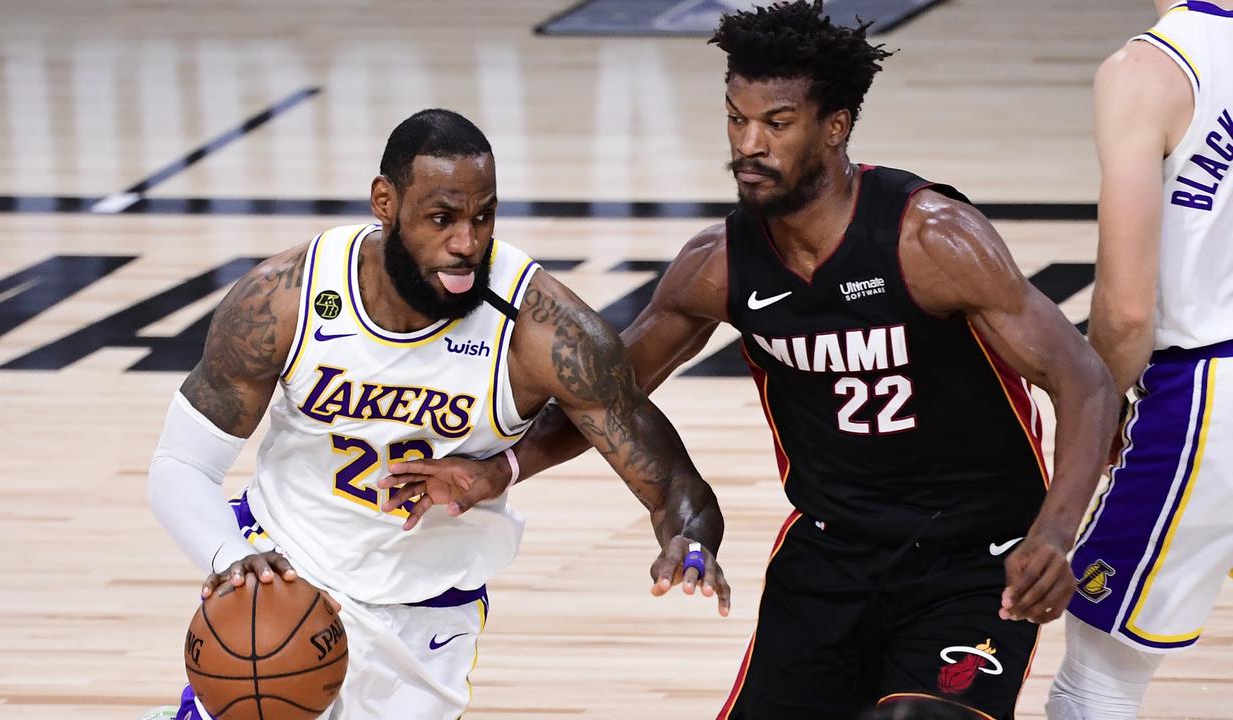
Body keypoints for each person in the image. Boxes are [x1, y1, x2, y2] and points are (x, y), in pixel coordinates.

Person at [378, 3, 1118, 719]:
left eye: (777, 123)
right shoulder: (718, 264)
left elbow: (1083, 381)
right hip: (831, 555)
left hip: (972, 556)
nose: (749, 143)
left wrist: (1054, 531)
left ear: (835, 128)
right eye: (737, 118)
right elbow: (606, 398)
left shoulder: (929, 239)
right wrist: (496, 469)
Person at [138, 108, 730, 720]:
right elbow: (182, 464)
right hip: (288, 576)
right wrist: (228, 559)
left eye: (483, 216)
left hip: (427, 612)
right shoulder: (286, 296)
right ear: (385, 202)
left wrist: (690, 541)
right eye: (442, 218)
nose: (467, 244)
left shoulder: (543, 328)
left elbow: (674, 486)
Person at [1047, 2, 1233, 718]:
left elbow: (1125, 309)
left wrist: (1096, 410)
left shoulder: (1147, 69)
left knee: (1100, 678)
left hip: (1206, 396)